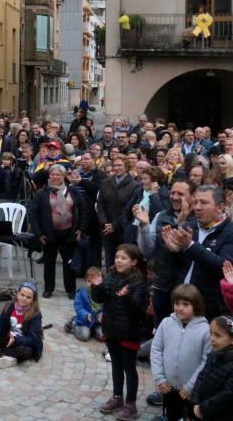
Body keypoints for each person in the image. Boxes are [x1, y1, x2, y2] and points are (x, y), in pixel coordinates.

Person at [91, 244, 150, 420]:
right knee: (116, 366)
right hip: (112, 328)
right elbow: (99, 299)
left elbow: (140, 309)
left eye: (123, 258)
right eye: (117, 257)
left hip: (129, 331)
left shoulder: (139, 282)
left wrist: (127, 297)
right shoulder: (110, 276)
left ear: (133, 262)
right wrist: (97, 287)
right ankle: (117, 397)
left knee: (129, 368)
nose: (118, 260)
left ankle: (131, 404)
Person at [162, 184, 233, 319]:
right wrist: (173, 251)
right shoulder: (190, 226)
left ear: (220, 207)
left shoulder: (230, 232)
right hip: (180, 302)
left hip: (208, 307)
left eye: (204, 203)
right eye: (195, 202)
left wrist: (191, 246)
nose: (197, 207)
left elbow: (224, 267)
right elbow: (176, 267)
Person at [137, 178, 195, 329]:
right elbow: (148, 251)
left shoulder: (197, 220)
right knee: (160, 330)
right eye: (173, 192)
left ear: (192, 197)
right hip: (162, 285)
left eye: (180, 194)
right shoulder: (161, 215)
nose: (175, 197)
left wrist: (181, 223)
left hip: (185, 290)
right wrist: (144, 226)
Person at [150, 284, 211, 421]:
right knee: (171, 415)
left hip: (190, 390)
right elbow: (156, 349)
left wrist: (190, 386)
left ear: (195, 305)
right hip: (168, 386)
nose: (180, 308)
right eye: (177, 303)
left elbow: (206, 360)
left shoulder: (205, 330)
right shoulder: (166, 323)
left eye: (185, 304)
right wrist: (160, 378)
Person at [29, 164, 83, 299]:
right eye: (52, 174)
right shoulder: (42, 193)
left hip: (69, 233)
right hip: (49, 234)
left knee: (68, 263)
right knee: (49, 263)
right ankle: (48, 288)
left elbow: (84, 210)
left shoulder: (73, 191)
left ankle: (70, 289)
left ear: (63, 176)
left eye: (58, 174)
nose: (55, 177)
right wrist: (38, 233)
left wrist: (81, 229)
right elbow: (33, 214)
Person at [0, 281, 44, 367]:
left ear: (32, 300)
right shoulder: (10, 306)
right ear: (18, 294)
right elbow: (1, 323)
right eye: (22, 295)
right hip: (8, 338)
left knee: (24, 351)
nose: (24, 298)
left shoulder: (35, 314)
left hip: (22, 342)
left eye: (28, 297)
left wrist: (16, 340)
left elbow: (32, 339)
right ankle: (3, 356)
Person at [190, 314, 233, 420]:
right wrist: (195, 401)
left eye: (218, 335)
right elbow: (201, 377)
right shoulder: (213, 355)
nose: (212, 338)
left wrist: (202, 409)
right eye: (211, 333)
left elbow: (227, 395)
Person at [65, 268, 105, 342]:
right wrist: (86, 315)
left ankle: (93, 331)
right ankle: (73, 324)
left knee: (103, 336)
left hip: (97, 323)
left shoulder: (104, 293)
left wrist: (103, 314)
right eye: (89, 281)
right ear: (86, 281)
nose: (92, 283)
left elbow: (107, 306)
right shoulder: (81, 293)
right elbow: (78, 307)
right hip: (84, 322)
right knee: (84, 336)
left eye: (96, 281)